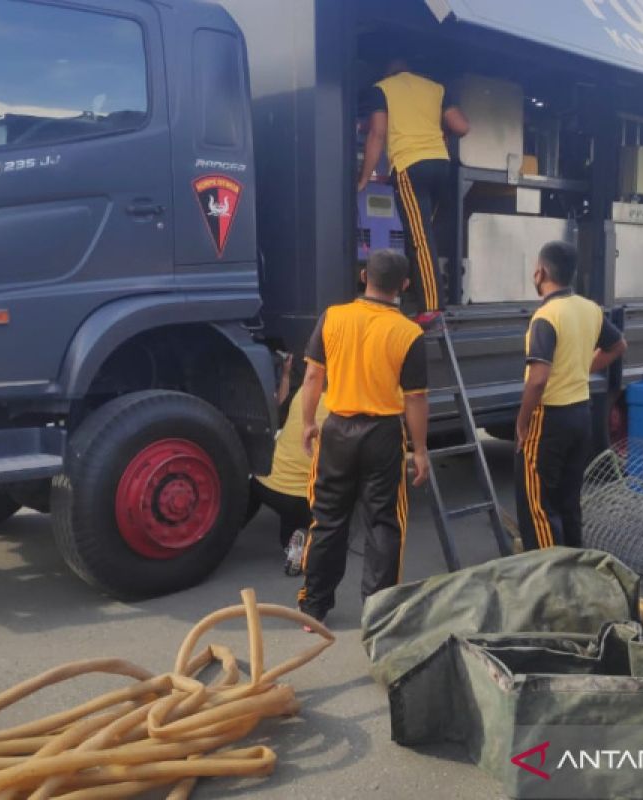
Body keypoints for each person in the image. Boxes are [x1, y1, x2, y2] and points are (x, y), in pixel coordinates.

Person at [297, 250, 431, 625]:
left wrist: (308, 423)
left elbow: (311, 378)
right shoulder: (409, 332)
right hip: (384, 435)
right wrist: (419, 450)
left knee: (327, 519)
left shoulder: (333, 318)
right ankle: (378, 615)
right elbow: (415, 398)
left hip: (338, 430)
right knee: (383, 523)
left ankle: (314, 607)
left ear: (363, 276)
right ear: (403, 286)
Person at [515, 242, 627, 552]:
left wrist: (523, 423)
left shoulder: (546, 317)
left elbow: (537, 380)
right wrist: (582, 367)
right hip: (581, 415)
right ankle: (576, 567)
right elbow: (618, 346)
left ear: (542, 272)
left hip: (548, 418)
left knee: (537, 505)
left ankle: (551, 579)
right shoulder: (589, 309)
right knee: (568, 500)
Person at [358, 58, 470, 314]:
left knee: (420, 238)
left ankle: (432, 307)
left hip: (411, 166)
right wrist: (440, 131)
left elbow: (377, 133)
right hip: (442, 166)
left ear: (389, 70)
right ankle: (415, 290)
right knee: (420, 231)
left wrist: (364, 177)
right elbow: (462, 127)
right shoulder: (435, 88)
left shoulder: (382, 89)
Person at [251, 353, 331, 576]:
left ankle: (227, 530)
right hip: (298, 496)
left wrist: (285, 374)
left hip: (264, 483)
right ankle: (297, 546)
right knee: (310, 519)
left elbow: (279, 409)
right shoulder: (343, 410)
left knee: (268, 496)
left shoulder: (302, 396)